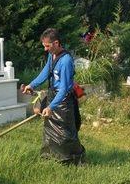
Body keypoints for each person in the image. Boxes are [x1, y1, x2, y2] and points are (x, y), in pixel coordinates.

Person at [21, 28, 86, 165]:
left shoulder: (66, 61)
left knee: (64, 134)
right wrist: (32, 85)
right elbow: (46, 72)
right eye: (44, 46)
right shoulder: (52, 55)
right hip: (52, 95)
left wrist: (51, 107)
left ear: (56, 43)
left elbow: (64, 89)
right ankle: (51, 157)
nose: (45, 49)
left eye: (47, 46)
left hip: (63, 101)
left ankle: (71, 161)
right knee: (50, 131)